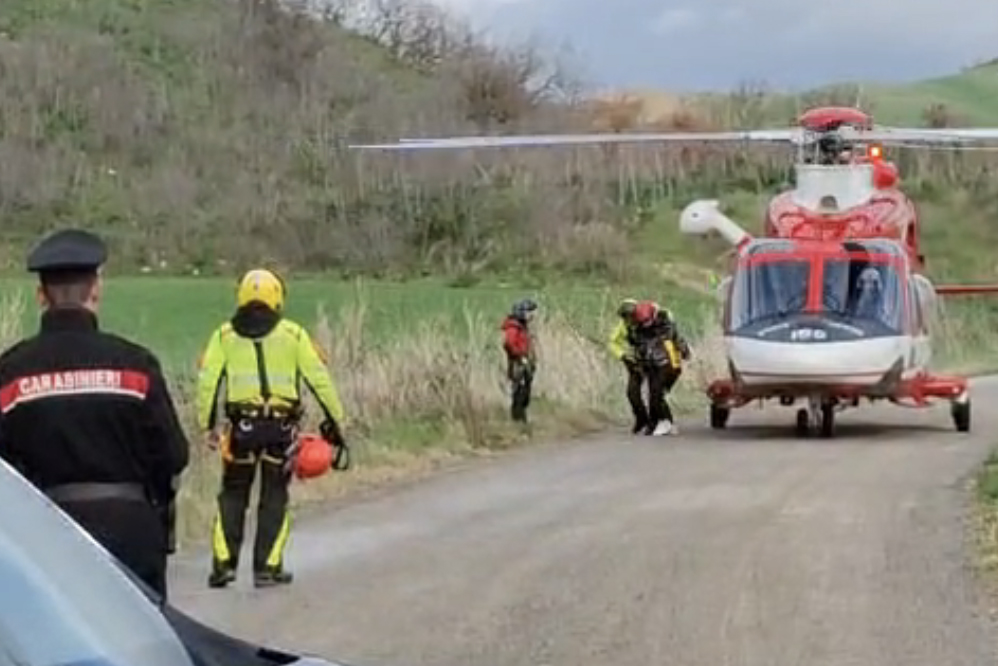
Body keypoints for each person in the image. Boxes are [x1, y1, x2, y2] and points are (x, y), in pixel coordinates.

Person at [0, 228, 189, 600]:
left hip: (45, 538)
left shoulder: (10, 373)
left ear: (41, 296)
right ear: (96, 290)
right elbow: (173, 455)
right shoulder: (136, 366)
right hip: (131, 535)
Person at [196, 268, 349, 589]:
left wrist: (206, 425)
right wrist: (337, 422)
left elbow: (208, 382)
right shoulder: (294, 335)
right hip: (280, 431)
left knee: (233, 494)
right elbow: (319, 380)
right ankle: (267, 567)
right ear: (277, 298)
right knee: (274, 497)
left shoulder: (223, 336)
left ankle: (224, 565)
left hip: (241, 431)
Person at [608, 299, 691, 436]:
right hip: (636, 362)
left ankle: (662, 422)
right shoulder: (625, 326)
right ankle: (643, 421)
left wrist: (682, 350)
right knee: (633, 393)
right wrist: (623, 356)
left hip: (656, 362)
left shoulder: (655, 320)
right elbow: (613, 342)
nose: (630, 320)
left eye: (631, 316)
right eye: (626, 318)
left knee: (656, 392)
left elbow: (672, 333)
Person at [500, 298, 538, 423]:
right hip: (518, 363)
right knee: (519, 393)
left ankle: (521, 419)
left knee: (525, 394)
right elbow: (509, 344)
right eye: (529, 312)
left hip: (523, 363)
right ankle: (518, 420)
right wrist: (520, 355)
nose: (531, 315)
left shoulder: (522, 327)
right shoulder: (514, 327)